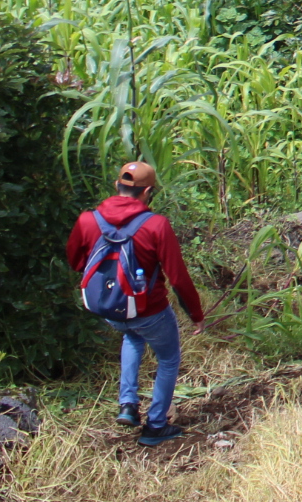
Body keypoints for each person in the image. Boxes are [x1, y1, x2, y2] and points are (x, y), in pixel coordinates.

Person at [66, 161, 207, 447]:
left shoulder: (87, 220)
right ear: (148, 192)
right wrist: (195, 314)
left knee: (131, 335)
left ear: (117, 186)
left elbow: (75, 261)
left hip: (109, 309)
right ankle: (155, 425)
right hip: (149, 310)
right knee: (168, 359)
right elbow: (177, 277)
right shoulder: (156, 225)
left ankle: (127, 406)